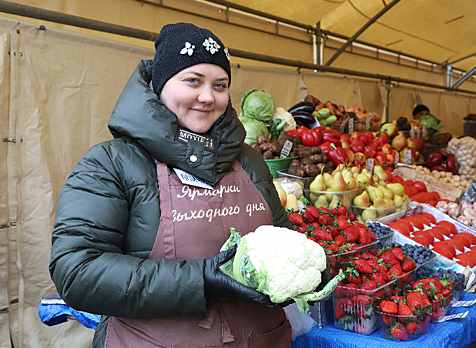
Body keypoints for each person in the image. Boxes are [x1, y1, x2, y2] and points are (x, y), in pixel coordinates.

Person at [49, 22, 293, 347]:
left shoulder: (248, 159)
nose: (207, 97)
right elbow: (77, 271)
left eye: (220, 85)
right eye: (192, 80)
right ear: (160, 84)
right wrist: (201, 280)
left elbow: (282, 237)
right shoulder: (110, 163)